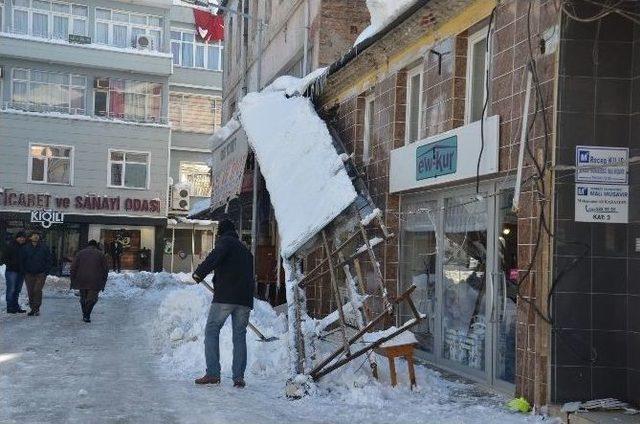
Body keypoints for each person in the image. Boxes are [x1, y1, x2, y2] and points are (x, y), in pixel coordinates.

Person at [192, 219, 255, 388]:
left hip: (225, 297)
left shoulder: (225, 243)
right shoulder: (245, 250)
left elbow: (214, 258)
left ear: (221, 232)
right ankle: (238, 377)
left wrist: (199, 273)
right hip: (245, 300)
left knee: (212, 330)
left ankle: (213, 373)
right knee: (239, 336)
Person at [70, 240, 109, 323]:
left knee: (83, 298)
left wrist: (72, 279)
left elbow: (73, 267)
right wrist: (103, 282)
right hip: (95, 280)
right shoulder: (101, 254)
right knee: (92, 299)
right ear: (96, 246)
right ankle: (87, 315)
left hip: (81, 279)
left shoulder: (80, 253)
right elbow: (105, 269)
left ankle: (85, 314)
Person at [20, 231, 52, 316]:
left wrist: (46, 272)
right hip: (29, 273)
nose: (36, 237)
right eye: (34, 235)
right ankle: (32, 309)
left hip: (41, 273)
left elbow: (49, 260)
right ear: (30, 237)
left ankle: (37, 308)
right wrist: (24, 271)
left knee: (37, 290)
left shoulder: (44, 247)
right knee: (30, 291)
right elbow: (22, 260)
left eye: (37, 235)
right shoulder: (25, 248)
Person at [2, 231, 27, 314]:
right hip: (11, 271)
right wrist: (11, 265)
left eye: (23, 237)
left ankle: (16, 306)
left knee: (17, 290)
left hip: (21, 272)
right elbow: (4, 258)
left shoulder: (25, 247)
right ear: (17, 238)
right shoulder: (11, 246)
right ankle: (10, 307)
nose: (22, 239)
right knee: (11, 289)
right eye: (20, 237)